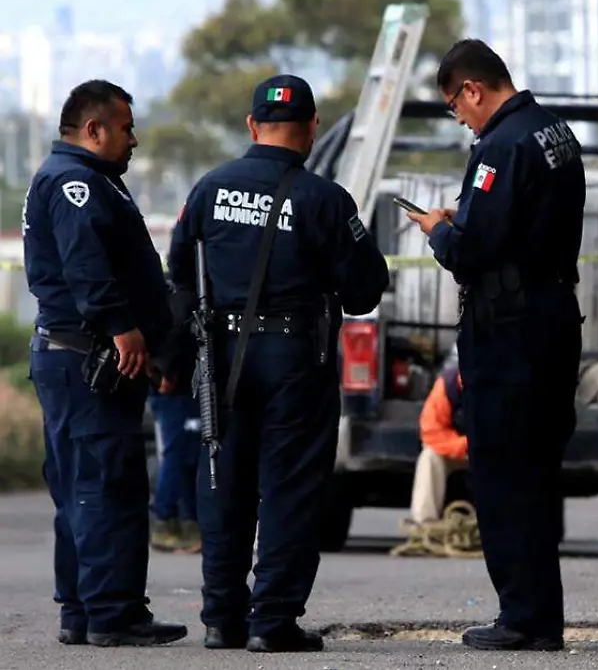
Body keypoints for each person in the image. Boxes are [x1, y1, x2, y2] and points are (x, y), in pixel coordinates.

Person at [166, 74, 390, 654]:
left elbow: (180, 280)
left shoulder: (210, 189)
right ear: (313, 129)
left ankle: (221, 618)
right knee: (290, 488)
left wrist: (175, 358)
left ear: (251, 126)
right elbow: (366, 290)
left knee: (222, 481)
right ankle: (274, 621)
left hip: (220, 358)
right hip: (296, 358)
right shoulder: (324, 200)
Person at [406, 39, 585, 652]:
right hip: (553, 317)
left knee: (504, 473)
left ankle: (523, 619)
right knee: (535, 472)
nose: (458, 116)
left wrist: (438, 230)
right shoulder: (553, 130)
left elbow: (472, 253)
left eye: (456, 104)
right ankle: (540, 616)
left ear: (473, 89)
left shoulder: (500, 147)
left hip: (509, 331)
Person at [22, 79, 188, 647]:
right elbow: (86, 267)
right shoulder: (75, 183)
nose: (134, 139)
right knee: (103, 485)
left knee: (79, 486)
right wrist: (123, 329)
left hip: (74, 357)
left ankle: (82, 611)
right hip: (87, 358)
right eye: (125, 128)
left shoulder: (82, 180)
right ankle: (112, 613)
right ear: (93, 129)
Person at [411, 365, 469, 527]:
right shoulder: (448, 386)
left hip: (497, 454)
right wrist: (466, 444)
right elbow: (432, 432)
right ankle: (425, 525)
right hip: (462, 450)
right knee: (430, 458)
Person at [148, 385, 202, 554]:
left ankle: (189, 523)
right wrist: (168, 373)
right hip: (176, 386)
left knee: (187, 456)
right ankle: (164, 520)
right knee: (178, 455)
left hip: (181, 386)